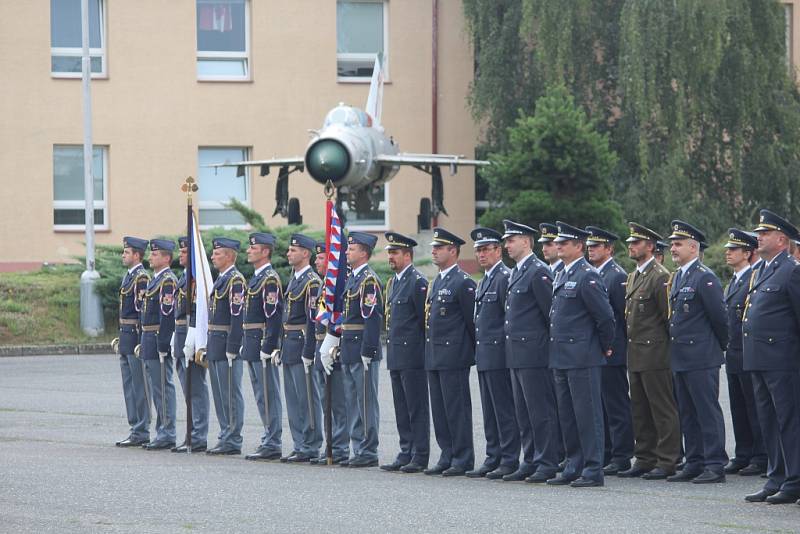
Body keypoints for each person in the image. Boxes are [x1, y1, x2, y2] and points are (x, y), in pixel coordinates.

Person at [546, 222, 615, 488]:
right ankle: (574, 464)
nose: (559, 246)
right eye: (558, 242)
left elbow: (606, 317)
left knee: (588, 414)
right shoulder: (562, 274)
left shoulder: (588, 275)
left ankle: (593, 468)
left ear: (579, 246)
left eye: (565, 242)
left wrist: (603, 346)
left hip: (583, 356)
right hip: (562, 355)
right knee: (568, 414)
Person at [742, 210, 800, 505]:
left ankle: (794, 479)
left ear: (781, 239)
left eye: (764, 234)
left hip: (783, 360)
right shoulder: (762, 270)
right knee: (769, 421)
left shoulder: (792, 270)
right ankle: (776, 476)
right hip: (760, 358)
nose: (758, 237)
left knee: (788, 420)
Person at [665, 220, 728, 484]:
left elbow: (720, 320)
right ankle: (694, 461)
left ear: (694, 247)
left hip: (702, 357)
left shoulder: (705, 277)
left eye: (678, 244)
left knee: (706, 411)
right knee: (687, 412)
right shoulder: (678, 276)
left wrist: (717, 348)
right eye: (671, 244)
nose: (673, 249)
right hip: (681, 357)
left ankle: (714, 464)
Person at [618, 223, 681, 480]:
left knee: (662, 409)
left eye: (637, 242)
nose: (631, 246)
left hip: (655, 354)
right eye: (630, 242)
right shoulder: (634, 276)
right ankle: (645, 457)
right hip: (636, 353)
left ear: (651, 246)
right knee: (640, 409)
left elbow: (668, 320)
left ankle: (667, 460)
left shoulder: (660, 276)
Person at [501, 220, 562, 483]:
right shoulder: (516, 272)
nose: (507, 245)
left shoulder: (538, 271)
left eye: (511, 240)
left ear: (526, 241)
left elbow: (551, 313)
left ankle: (547, 461)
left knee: (540, 411)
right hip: (516, 352)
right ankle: (530, 459)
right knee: (523, 412)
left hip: (534, 353)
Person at [465, 227, 519, 480]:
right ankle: (493, 454)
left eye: (486, 249)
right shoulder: (486, 278)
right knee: (489, 410)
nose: (481, 254)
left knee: (503, 409)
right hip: (485, 353)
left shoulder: (504, 277)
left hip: (499, 354)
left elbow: (507, 319)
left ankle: (509, 458)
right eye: (478, 250)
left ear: (498, 250)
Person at [326, 231, 383, 468]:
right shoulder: (353, 279)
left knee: (365, 400)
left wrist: (368, 350)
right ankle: (357, 445)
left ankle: (368, 449)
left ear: (364, 252)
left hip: (361, 348)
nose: (347, 252)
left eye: (352, 249)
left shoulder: (368, 280)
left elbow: (372, 318)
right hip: (349, 346)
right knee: (352, 400)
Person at [424, 228, 477, 477]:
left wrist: (468, 353)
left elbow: (471, 323)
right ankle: (447, 453)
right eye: (434, 247)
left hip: (454, 356)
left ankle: (463, 456)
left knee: (457, 409)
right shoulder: (437, 281)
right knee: (440, 410)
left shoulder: (463, 282)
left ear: (453, 251)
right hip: (435, 355)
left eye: (439, 248)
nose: (433, 251)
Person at [380, 232, 431, 474]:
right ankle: (405, 450)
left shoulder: (417, 282)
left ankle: (419, 454)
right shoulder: (393, 283)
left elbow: (423, 322)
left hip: (412, 355)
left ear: (408, 256)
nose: (391, 257)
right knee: (401, 406)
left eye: (395, 253)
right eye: (389, 252)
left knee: (416, 406)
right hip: (396, 355)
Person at [585, 226, 634, 475]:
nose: (591, 249)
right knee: (601, 405)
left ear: (609, 249)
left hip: (612, 351)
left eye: (597, 246)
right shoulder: (593, 273)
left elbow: (621, 317)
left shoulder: (616, 276)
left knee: (616, 405)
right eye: (590, 246)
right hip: (597, 351)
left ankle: (622, 454)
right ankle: (606, 451)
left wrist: (614, 346)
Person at [722, 229, 767, 477]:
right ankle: (744, 453)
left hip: (748, 352)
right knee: (738, 406)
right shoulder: (736, 280)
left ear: (748, 253)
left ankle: (760, 456)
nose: (728, 253)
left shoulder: (754, 277)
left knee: (754, 406)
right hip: (734, 352)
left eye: (734, 249)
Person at [277, 234, 322, 463]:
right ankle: (299, 443)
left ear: (306, 253)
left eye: (293, 250)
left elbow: (313, 319)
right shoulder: (295, 279)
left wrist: (309, 351)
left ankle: (311, 444)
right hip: (289, 344)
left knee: (307, 398)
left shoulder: (312, 282)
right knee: (293, 399)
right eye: (289, 250)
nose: (288, 253)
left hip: (302, 343)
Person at [242, 233, 284, 461]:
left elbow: (274, 317)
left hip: (261, 343)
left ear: (265, 251)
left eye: (253, 247)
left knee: (268, 394)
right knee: (261, 394)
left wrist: (268, 346)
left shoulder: (269, 279)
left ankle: (273, 441)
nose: (249, 251)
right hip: (252, 342)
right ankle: (269, 437)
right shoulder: (257, 278)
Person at [204, 237, 246, 456]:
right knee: (220, 393)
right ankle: (225, 433)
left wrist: (233, 345)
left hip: (226, 343)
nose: (213, 256)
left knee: (230, 392)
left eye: (218, 253)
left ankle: (233, 437)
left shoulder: (235, 280)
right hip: (215, 342)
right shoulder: (222, 279)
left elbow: (238, 317)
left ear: (229, 256)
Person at [310, 241, 350, 466]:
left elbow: (341, 315)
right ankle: (331, 445)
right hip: (320, 346)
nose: (317, 261)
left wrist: (333, 337)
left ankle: (340, 447)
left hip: (334, 347)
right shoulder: (324, 284)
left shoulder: (339, 283)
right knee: (326, 400)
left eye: (322, 258)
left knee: (338, 402)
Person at [139, 239, 178, 450]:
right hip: (148, 338)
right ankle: (161, 430)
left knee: (163, 387)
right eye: (151, 254)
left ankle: (168, 432)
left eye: (155, 254)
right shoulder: (155, 280)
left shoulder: (167, 281)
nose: (151, 257)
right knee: (156, 388)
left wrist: (164, 344)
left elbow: (167, 316)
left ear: (166, 258)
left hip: (157, 339)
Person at [171, 236, 209, 453]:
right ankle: (191, 433)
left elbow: (199, 309)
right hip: (181, 335)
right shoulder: (183, 278)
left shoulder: (197, 279)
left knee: (196, 388)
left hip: (192, 336)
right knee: (188, 390)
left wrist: (193, 333)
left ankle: (198, 435)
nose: (181, 255)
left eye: (185, 252)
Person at [113, 237, 151, 447]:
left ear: (137, 255)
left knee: (140, 385)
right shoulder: (129, 277)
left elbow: (142, 312)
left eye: (127, 252)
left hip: (135, 336)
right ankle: (135, 427)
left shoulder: (141, 277)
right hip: (126, 335)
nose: (123, 255)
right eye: (123, 252)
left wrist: (140, 340)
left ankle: (141, 429)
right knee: (129, 386)